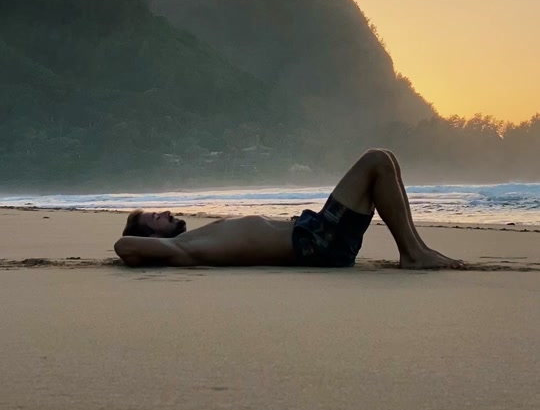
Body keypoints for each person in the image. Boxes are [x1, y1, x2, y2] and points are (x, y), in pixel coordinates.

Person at [114, 148, 463, 270]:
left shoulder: (193, 240)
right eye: (153, 220)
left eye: (157, 211)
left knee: (387, 160)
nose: (162, 213)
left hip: (314, 235)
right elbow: (123, 246)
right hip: (314, 242)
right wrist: (149, 246)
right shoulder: (179, 250)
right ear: (151, 239)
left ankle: (417, 249)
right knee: (376, 160)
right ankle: (413, 254)